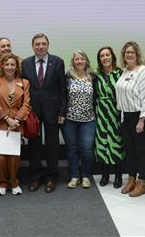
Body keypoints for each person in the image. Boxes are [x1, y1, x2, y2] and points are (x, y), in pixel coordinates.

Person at [21, 33, 67, 193]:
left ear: (48, 45)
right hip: (32, 111)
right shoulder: (25, 64)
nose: (40, 46)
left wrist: (62, 111)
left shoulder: (58, 62)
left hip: (53, 110)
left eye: (43, 44)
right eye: (37, 44)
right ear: (32, 46)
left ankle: (52, 177)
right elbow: (22, 89)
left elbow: (63, 89)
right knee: (34, 145)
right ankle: (35, 177)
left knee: (52, 145)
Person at [115, 41, 145, 197]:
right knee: (129, 150)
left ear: (137, 55)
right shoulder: (124, 72)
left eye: (132, 52)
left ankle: (142, 182)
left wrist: (142, 119)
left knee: (141, 150)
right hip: (126, 116)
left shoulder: (143, 71)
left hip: (139, 116)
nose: (129, 55)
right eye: (126, 52)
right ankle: (131, 179)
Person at [0, 53, 31, 195]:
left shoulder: (24, 83)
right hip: (0, 121)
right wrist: (7, 119)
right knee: (0, 157)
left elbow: (26, 104)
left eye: (12, 64)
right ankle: (2, 182)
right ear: (2, 66)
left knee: (14, 156)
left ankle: (14, 182)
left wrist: (17, 121)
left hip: (16, 123)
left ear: (17, 66)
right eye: (7, 64)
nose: (9, 67)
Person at [63, 50, 96, 189]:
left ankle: (86, 176)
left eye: (82, 58)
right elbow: (63, 96)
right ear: (73, 61)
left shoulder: (93, 77)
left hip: (88, 119)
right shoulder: (68, 77)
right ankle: (74, 176)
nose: (80, 61)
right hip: (70, 119)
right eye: (77, 59)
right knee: (72, 149)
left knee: (87, 149)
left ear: (86, 61)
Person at [94, 47, 124, 188]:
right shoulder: (96, 75)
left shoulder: (120, 74)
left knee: (116, 144)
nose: (105, 58)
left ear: (112, 57)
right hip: (100, 114)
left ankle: (118, 175)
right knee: (102, 144)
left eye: (107, 55)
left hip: (116, 114)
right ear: (99, 59)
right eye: (102, 56)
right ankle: (105, 175)